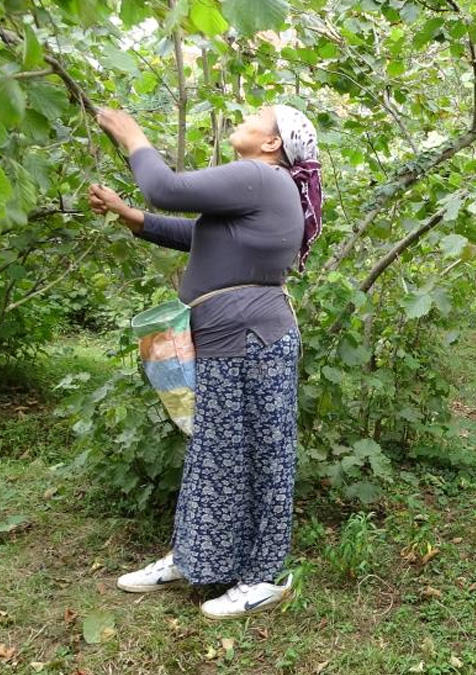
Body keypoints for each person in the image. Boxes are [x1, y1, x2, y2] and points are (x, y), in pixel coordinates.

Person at [88, 103, 322, 618]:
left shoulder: (261, 178)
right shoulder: (264, 189)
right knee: (214, 455)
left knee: (263, 457)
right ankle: (196, 557)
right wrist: (133, 218)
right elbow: (205, 237)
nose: (247, 114)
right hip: (227, 341)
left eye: (260, 115)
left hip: (252, 341)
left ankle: (264, 576)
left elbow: (166, 188)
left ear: (272, 144)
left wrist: (132, 135)